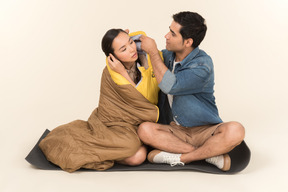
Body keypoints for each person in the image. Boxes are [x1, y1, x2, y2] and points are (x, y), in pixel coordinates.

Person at [39, 29, 160, 172]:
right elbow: (138, 99)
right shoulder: (111, 73)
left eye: (131, 42)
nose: (132, 49)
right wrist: (122, 72)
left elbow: (145, 97)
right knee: (136, 154)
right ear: (112, 56)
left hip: (136, 123)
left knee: (136, 156)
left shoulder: (143, 61)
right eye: (123, 49)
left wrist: (124, 36)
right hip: (111, 123)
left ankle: (113, 151)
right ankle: (69, 144)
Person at [137, 11, 245, 171]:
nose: (166, 36)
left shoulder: (203, 64)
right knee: (144, 129)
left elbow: (170, 85)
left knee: (236, 130)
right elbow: (138, 57)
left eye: (172, 34)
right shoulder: (166, 56)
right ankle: (208, 154)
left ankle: (182, 157)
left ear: (188, 42)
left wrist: (153, 52)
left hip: (205, 130)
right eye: (169, 30)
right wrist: (124, 39)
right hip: (175, 130)